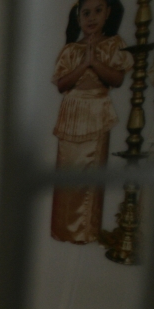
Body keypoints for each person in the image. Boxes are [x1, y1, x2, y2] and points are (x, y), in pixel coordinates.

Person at [51, 0, 130, 243]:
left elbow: (116, 79)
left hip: (96, 113)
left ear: (107, 13)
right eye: (86, 12)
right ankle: (63, 229)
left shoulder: (113, 45)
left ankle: (87, 231)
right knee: (68, 174)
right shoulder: (71, 50)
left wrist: (95, 62)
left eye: (97, 11)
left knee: (91, 174)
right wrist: (84, 63)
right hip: (72, 112)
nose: (91, 17)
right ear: (78, 17)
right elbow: (62, 84)